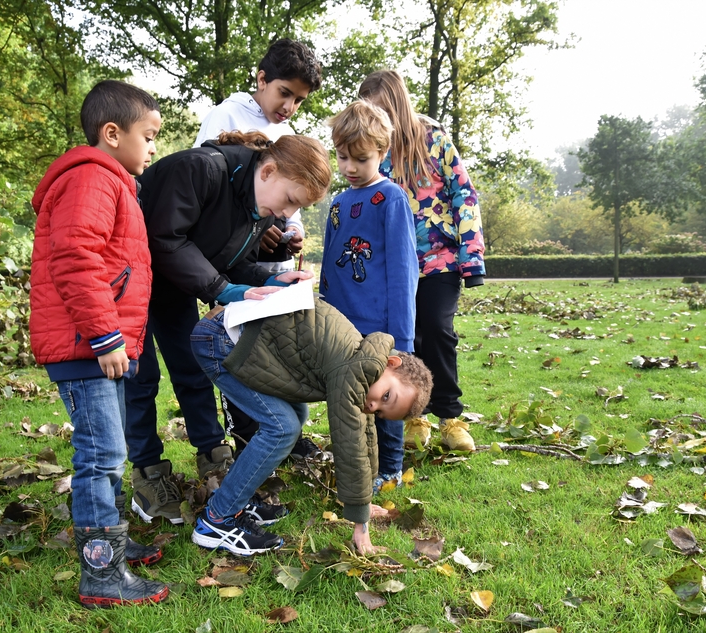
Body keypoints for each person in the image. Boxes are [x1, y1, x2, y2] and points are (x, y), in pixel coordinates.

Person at [126, 130, 332, 525]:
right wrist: (222, 290)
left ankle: (213, 457)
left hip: (175, 288)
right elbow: (166, 239)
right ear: (268, 171)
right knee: (140, 377)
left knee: (192, 370)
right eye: (290, 200)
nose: (287, 213)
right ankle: (148, 472)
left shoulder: (259, 205)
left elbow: (229, 263)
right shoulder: (199, 170)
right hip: (131, 283)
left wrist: (269, 281)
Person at [29, 80, 168, 608]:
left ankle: (109, 538)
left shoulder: (114, 182)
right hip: (87, 345)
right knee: (101, 453)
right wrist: (106, 336)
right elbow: (74, 258)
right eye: (148, 136)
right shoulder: (91, 177)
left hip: (101, 346)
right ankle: (102, 573)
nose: (153, 147)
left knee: (110, 450)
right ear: (113, 133)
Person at [190, 297, 433, 555]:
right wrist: (360, 523)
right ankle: (217, 519)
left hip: (236, 335)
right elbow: (350, 447)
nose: (373, 406)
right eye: (386, 396)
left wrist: (364, 501)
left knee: (297, 412)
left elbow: (366, 434)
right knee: (282, 429)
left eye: (381, 411)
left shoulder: (366, 361)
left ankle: (239, 498)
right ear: (391, 364)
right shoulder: (353, 371)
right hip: (221, 341)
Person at [189, 38, 322, 461]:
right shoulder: (225, 116)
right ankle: (248, 433)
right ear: (261, 79)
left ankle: (284, 430)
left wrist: (292, 229)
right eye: (285, 93)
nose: (289, 107)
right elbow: (212, 192)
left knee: (273, 346)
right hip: (229, 261)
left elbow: (292, 197)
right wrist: (253, 229)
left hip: (270, 263)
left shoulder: (287, 134)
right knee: (235, 346)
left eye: (299, 100)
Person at [358, 69, 486, 453]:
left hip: (439, 260)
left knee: (436, 329)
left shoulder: (436, 141)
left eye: (380, 111)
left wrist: (472, 256)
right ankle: (416, 416)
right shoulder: (375, 153)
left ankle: (451, 418)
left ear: (396, 103)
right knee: (404, 339)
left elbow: (464, 195)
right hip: (393, 267)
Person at [321, 100, 418, 493]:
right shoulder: (338, 202)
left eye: (361, 159)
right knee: (351, 399)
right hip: (340, 324)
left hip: (381, 328)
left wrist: (402, 337)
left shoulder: (391, 198)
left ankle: (390, 467)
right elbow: (329, 265)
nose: (349, 167)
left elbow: (403, 270)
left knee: (384, 398)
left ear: (382, 152)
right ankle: (358, 463)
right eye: (342, 157)